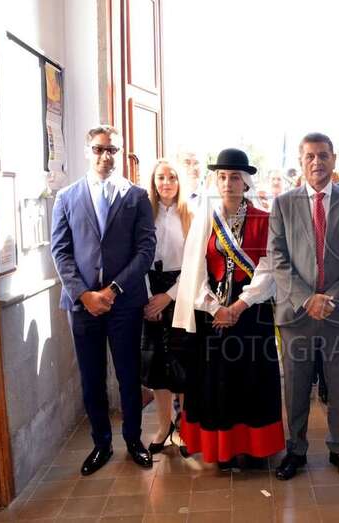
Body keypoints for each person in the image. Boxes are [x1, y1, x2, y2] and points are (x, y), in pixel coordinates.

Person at [50, 125, 156, 475]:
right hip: (82, 307)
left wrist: (112, 291)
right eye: (99, 149)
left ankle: (134, 440)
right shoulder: (66, 197)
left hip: (124, 304)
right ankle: (101, 445)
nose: (105, 156)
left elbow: (145, 249)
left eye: (112, 150)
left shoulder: (137, 196)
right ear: (88, 151)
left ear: (120, 154)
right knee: (92, 378)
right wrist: (84, 294)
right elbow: (61, 251)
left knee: (128, 375)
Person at [270, 132, 339, 481]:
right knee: (296, 385)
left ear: (333, 159)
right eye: (310, 156)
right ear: (301, 161)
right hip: (296, 313)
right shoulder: (283, 204)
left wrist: (331, 298)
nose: (317, 162)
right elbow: (277, 257)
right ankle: (295, 450)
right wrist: (307, 298)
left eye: (323, 155)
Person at [172, 148, 284, 469]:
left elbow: (269, 268)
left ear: (245, 182)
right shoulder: (205, 218)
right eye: (222, 177)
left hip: (251, 310)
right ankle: (224, 448)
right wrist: (214, 307)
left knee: (252, 378)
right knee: (218, 380)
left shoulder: (264, 218)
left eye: (234, 177)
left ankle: (254, 448)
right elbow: (195, 269)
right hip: (213, 313)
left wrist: (238, 306)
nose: (227, 183)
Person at [141, 159, 193, 455]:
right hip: (149, 292)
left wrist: (169, 296)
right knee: (155, 365)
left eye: (172, 177)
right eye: (161, 177)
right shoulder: (144, 214)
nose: (166, 183)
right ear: (153, 182)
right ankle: (164, 426)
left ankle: (184, 428)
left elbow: (196, 265)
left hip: (180, 293)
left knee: (181, 363)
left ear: (179, 181)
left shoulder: (191, 214)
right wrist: (150, 298)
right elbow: (138, 258)